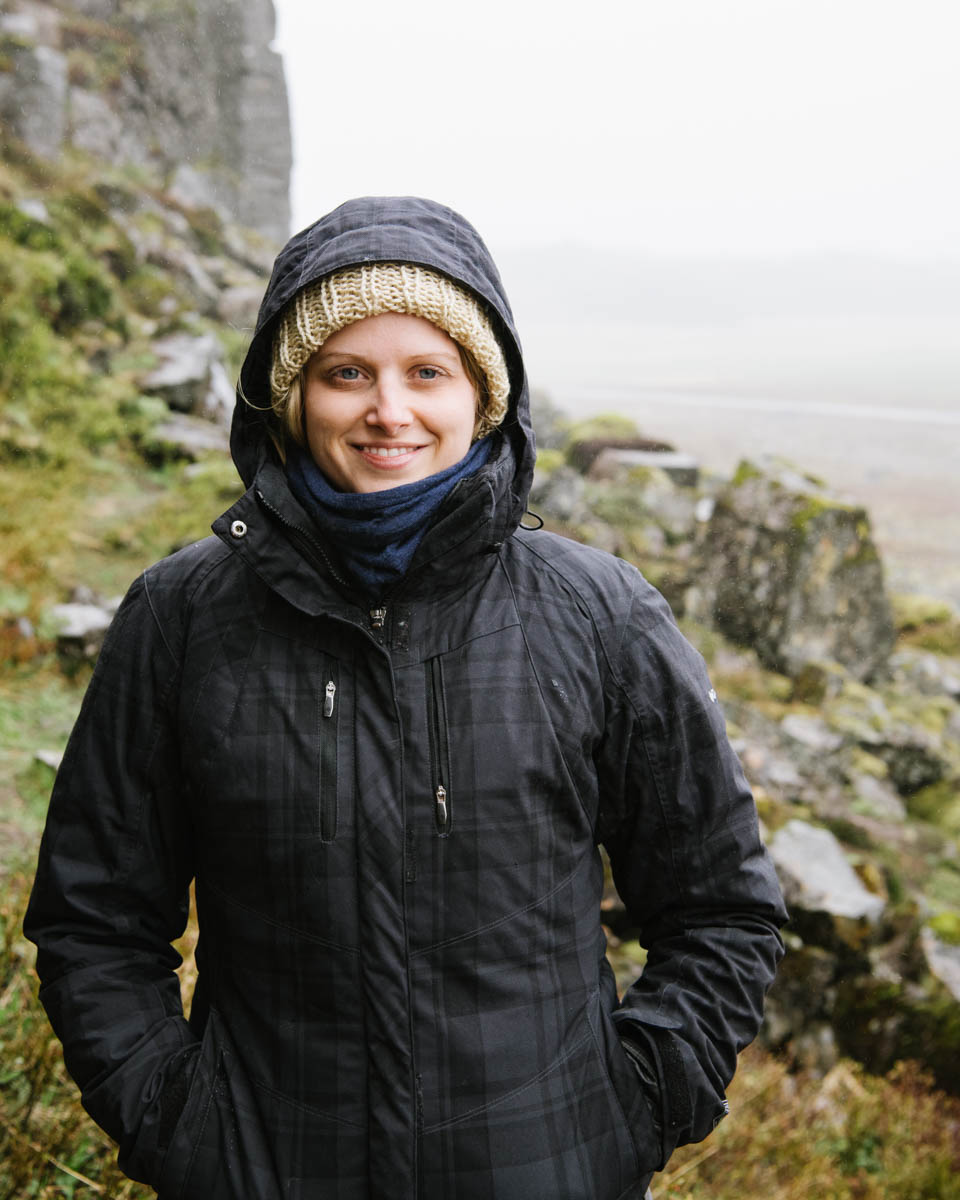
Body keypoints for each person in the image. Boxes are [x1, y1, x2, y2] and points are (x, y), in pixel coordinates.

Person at [25, 196, 787, 1199]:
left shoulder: (600, 614)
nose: (391, 410)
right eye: (348, 372)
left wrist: (626, 1112)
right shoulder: (181, 617)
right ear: (291, 395)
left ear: (484, 395)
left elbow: (722, 910)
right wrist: (178, 1127)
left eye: (428, 372)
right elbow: (96, 919)